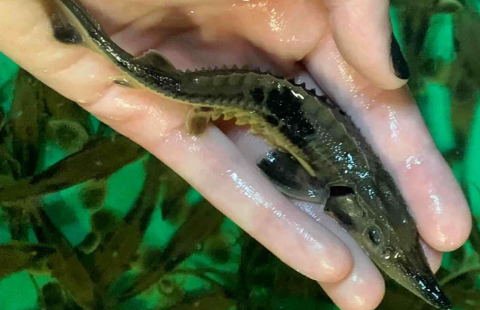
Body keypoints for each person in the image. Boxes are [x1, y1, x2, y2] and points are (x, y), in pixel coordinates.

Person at [0, 0, 471, 309]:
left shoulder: (353, 186)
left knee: (143, 71)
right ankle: (83, 31)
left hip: (266, 103)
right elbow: (312, 184)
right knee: (150, 76)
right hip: (248, 98)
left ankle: (83, 32)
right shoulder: (333, 186)